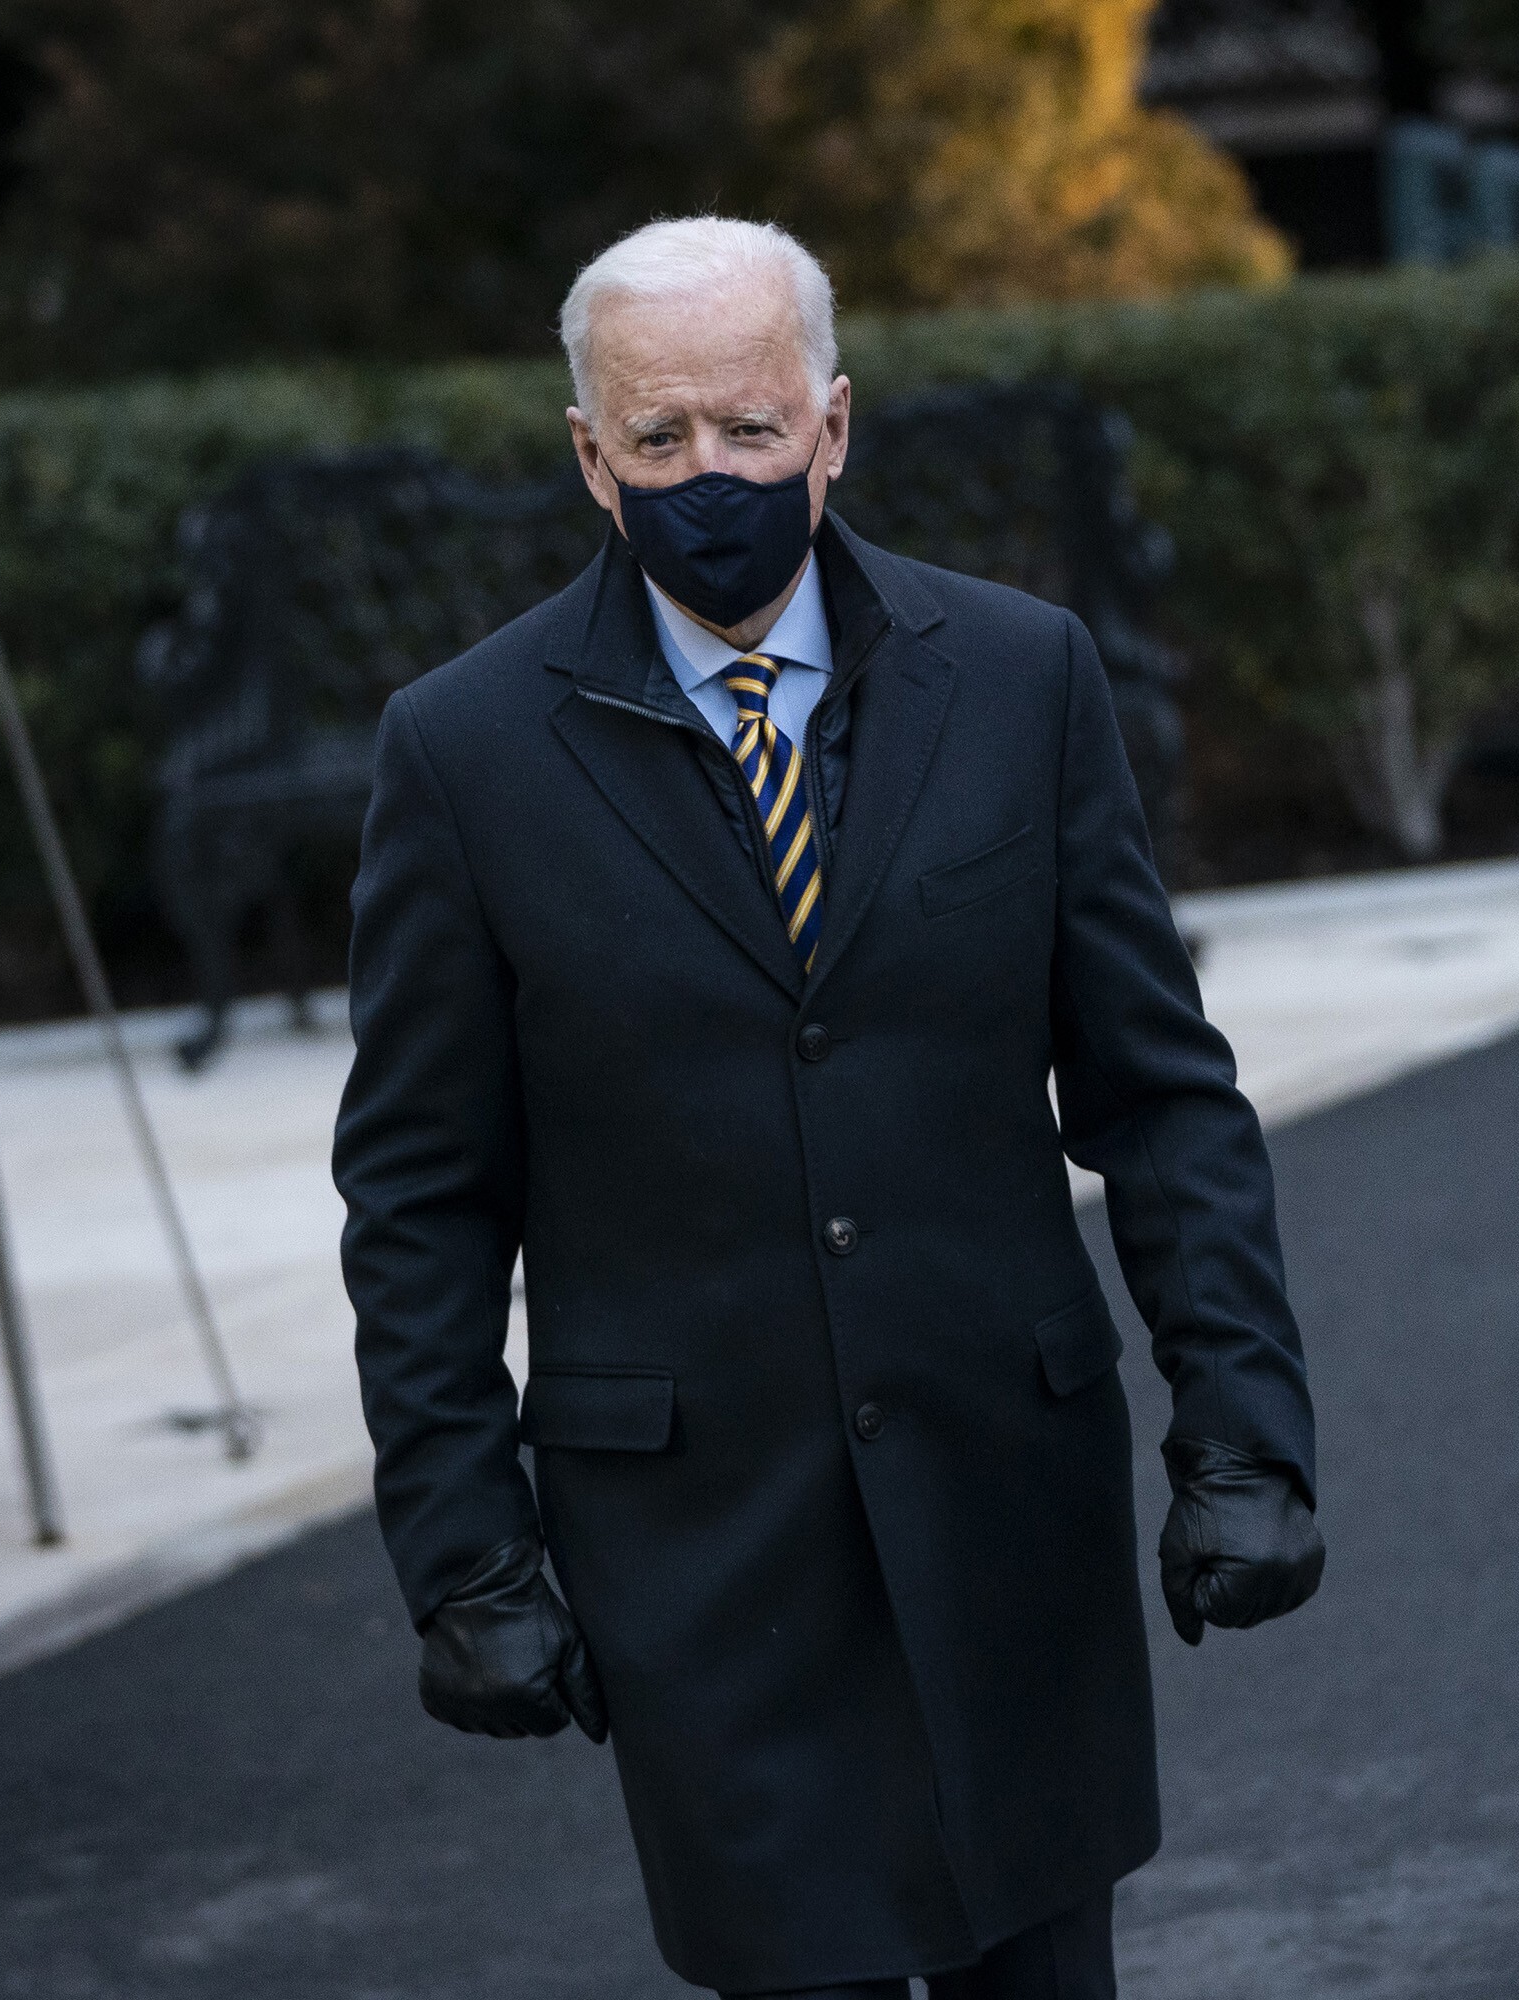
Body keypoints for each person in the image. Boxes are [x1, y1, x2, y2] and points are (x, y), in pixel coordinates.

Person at [333, 216, 1322, 2000]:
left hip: (1007, 1512)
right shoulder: (463, 753)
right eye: (659, 441)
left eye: (750, 429)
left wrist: (1244, 1433)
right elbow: (422, 1202)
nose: (709, 472)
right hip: (706, 1563)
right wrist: (467, 1561)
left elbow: (1163, 1097)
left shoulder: (1021, 680)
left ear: (835, 427)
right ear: (589, 456)